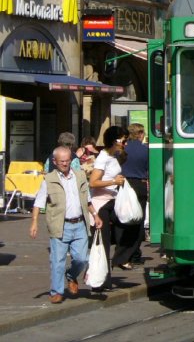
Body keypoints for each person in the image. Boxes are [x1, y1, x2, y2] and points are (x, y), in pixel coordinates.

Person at [29, 139, 103, 304]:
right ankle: (56, 291)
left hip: (79, 225)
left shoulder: (80, 176)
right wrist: (34, 222)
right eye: (61, 161)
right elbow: (38, 203)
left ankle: (71, 275)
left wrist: (95, 215)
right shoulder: (48, 180)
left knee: (82, 259)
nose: (65, 163)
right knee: (58, 261)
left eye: (67, 160)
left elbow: (87, 199)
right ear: (54, 162)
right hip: (60, 225)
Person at [89, 126, 127, 286]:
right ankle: (101, 280)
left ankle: (120, 258)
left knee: (129, 225)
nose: (125, 143)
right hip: (101, 203)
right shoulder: (103, 157)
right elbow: (93, 182)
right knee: (102, 242)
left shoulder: (113, 155)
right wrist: (113, 181)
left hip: (113, 200)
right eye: (123, 140)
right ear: (115, 141)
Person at [116, 123, 149, 267]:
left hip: (123, 184)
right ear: (140, 134)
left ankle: (122, 250)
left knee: (122, 218)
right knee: (138, 219)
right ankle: (134, 253)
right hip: (140, 185)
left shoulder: (122, 150)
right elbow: (149, 169)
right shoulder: (146, 150)